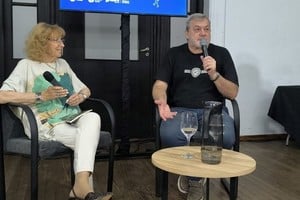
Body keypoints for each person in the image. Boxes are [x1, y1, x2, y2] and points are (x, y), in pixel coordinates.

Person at [0, 22, 112, 200]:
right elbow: (2, 96)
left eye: (62, 40)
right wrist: (40, 96)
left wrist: (81, 96)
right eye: (57, 41)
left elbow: (85, 89)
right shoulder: (26, 65)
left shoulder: (63, 64)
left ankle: (79, 189)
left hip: (72, 117)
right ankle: (82, 189)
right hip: (47, 124)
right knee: (88, 139)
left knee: (93, 117)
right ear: (42, 42)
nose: (63, 44)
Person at [152, 13, 239, 200]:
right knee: (169, 134)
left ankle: (193, 174)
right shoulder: (173, 54)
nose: (203, 34)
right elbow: (159, 86)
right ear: (187, 33)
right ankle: (195, 178)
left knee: (228, 137)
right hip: (182, 110)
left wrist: (214, 74)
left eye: (206, 29)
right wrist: (162, 102)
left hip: (214, 110)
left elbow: (232, 93)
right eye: (197, 29)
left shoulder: (222, 54)